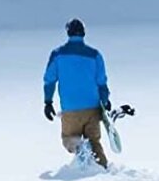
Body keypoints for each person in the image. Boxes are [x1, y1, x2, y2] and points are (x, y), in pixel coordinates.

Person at [43, 18, 111, 169]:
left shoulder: (57, 54)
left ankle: (80, 150)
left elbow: (49, 80)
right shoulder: (95, 55)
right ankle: (103, 170)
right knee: (94, 142)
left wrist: (48, 102)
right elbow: (101, 82)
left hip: (70, 109)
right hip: (93, 108)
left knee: (69, 139)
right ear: (84, 33)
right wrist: (105, 100)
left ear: (68, 33)